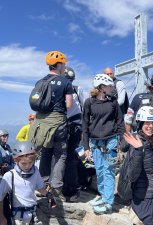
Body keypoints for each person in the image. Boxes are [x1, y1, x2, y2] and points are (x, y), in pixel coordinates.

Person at [28, 50, 73, 201]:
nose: (65, 66)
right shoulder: (66, 82)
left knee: (42, 153)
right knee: (60, 155)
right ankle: (56, 188)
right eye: (64, 63)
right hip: (58, 122)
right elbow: (68, 105)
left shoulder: (40, 82)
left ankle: (40, 185)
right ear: (59, 64)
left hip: (41, 124)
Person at [82, 74, 124, 214]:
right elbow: (85, 125)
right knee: (99, 170)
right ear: (101, 87)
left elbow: (120, 122)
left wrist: (119, 145)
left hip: (111, 140)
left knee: (109, 171)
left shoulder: (113, 102)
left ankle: (108, 202)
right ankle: (103, 196)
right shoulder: (89, 102)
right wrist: (86, 146)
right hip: (94, 142)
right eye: (109, 86)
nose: (112, 88)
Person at [122, 106, 153, 225]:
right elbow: (132, 175)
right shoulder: (137, 143)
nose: (151, 126)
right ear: (140, 123)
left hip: (152, 194)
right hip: (144, 197)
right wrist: (138, 150)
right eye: (147, 122)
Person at [0, 141, 56, 225]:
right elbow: (0, 198)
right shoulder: (9, 176)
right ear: (16, 160)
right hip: (17, 217)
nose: (27, 166)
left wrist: (48, 195)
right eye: (23, 163)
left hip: (33, 215)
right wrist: (1, 217)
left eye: (30, 162)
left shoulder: (35, 171)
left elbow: (40, 187)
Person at [62, 66, 85, 201]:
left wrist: (83, 128)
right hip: (62, 126)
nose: (69, 83)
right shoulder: (60, 90)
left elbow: (84, 107)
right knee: (63, 157)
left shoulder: (77, 89)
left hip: (74, 126)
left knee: (69, 157)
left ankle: (71, 188)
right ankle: (66, 186)